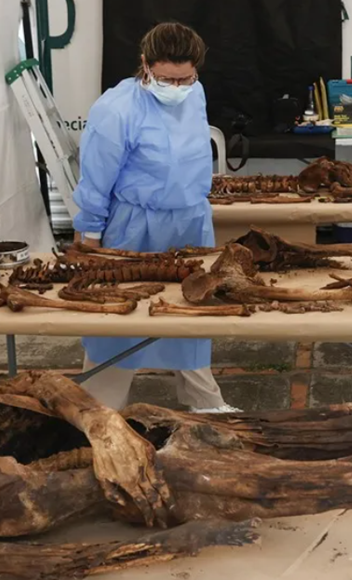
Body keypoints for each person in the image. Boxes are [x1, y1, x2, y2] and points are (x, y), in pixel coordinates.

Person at [71, 22, 240, 414]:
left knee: (191, 316)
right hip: (134, 228)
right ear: (145, 64)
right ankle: (98, 411)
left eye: (185, 78)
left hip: (190, 223)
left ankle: (203, 402)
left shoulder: (194, 93)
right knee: (118, 324)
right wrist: (90, 236)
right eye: (166, 79)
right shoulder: (116, 109)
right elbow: (96, 177)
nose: (176, 87)